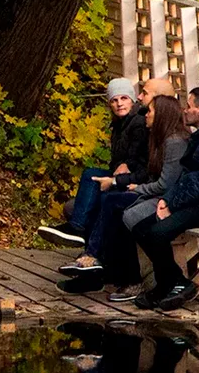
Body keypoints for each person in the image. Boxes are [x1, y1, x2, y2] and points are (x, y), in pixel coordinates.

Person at [54, 94, 189, 298]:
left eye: (149, 112)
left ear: (161, 115)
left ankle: (97, 262)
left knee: (115, 205)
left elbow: (165, 184)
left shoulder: (174, 142)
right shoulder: (154, 138)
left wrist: (133, 187)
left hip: (165, 200)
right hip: (149, 191)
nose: (145, 116)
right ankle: (96, 269)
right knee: (103, 199)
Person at [125, 85, 199, 311]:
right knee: (141, 227)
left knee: (158, 233)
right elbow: (186, 176)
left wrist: (172, 203)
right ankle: (177, 282)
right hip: (197, 201)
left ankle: (167, 286)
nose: (184, 110)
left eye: (188, 106)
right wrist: (167, 200)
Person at [36, 77, 164, 246]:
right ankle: (83, 239)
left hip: (135, 180)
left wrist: (125, 167)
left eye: (124, 98)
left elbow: (138, 158)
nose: (119, 103)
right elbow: (117, 161)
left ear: (132, 100)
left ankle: (82, 236)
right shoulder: (119, 125)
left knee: (94, 183)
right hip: (122, 176)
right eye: (114, 100)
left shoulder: (138, 122)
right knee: (83, 188)